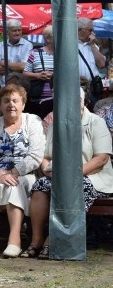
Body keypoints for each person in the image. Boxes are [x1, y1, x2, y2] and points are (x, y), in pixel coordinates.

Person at [24, 88, 113, 258]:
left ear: (83, 102)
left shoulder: (96, 122)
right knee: (40, 185)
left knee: (77, 186)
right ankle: (36, 240)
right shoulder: (56, 123)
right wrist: (46, 170)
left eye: (75, 100)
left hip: (94, 176)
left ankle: (53, 240)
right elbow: (45, 156)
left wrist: (71, 176)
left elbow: (101, 158)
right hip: (58, 176)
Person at [0, 84, 45, 257]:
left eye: (15, 101)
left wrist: (13, 172)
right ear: (0, 105)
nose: (11, 105)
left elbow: (36, 155)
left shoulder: (33, 121)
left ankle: (14, 240)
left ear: (23, 104)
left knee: (15, 184)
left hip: (25, 175)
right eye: (6, 101)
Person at [0, 20, 34, 86]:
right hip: (3, 86)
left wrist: (4, 63)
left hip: (20, 86)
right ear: (7, 32)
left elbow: (25, 67)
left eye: (19, 30)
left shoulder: (28, 45)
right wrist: (17, 69)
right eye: (14, 31)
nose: (17, 33)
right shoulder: (0, 46)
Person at [77, 17, 106, 103]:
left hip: (93, 87)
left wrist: (92, 45)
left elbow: (101, 64)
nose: (92, 33)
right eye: (90, 30)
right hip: (78, 86)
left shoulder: (93, 46)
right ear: (79, 30)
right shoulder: (70, 44)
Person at [23, 25, 55, 104]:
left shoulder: (62, 53)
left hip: (58, 97)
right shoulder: (35, 53)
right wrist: (38, 75)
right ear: (47, 38)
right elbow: (25, 73)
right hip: (38, 98)